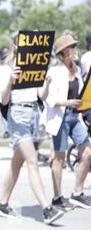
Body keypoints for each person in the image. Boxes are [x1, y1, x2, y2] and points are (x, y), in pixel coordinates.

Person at [0, 39, 64, 225]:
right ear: (17, 46)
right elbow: (3, 99)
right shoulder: (7, 68)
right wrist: (11, 80)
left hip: (33, 115)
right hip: (17, 116)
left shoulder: (36, 67)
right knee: (32, 161)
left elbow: (41, 96)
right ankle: (46, 209)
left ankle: (2, 203)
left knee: (17, 162)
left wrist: (47, 83)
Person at [45, 35, 91, 210]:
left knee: (87, 153)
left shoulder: (77, 70)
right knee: (59, 159)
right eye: (73, 46)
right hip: (60, 118)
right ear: (64, 51)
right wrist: (67, 102)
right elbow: (49, 99)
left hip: (75, 116)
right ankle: (57, 197)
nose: (76, 48)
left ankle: (77, 193)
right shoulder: (54, 72)